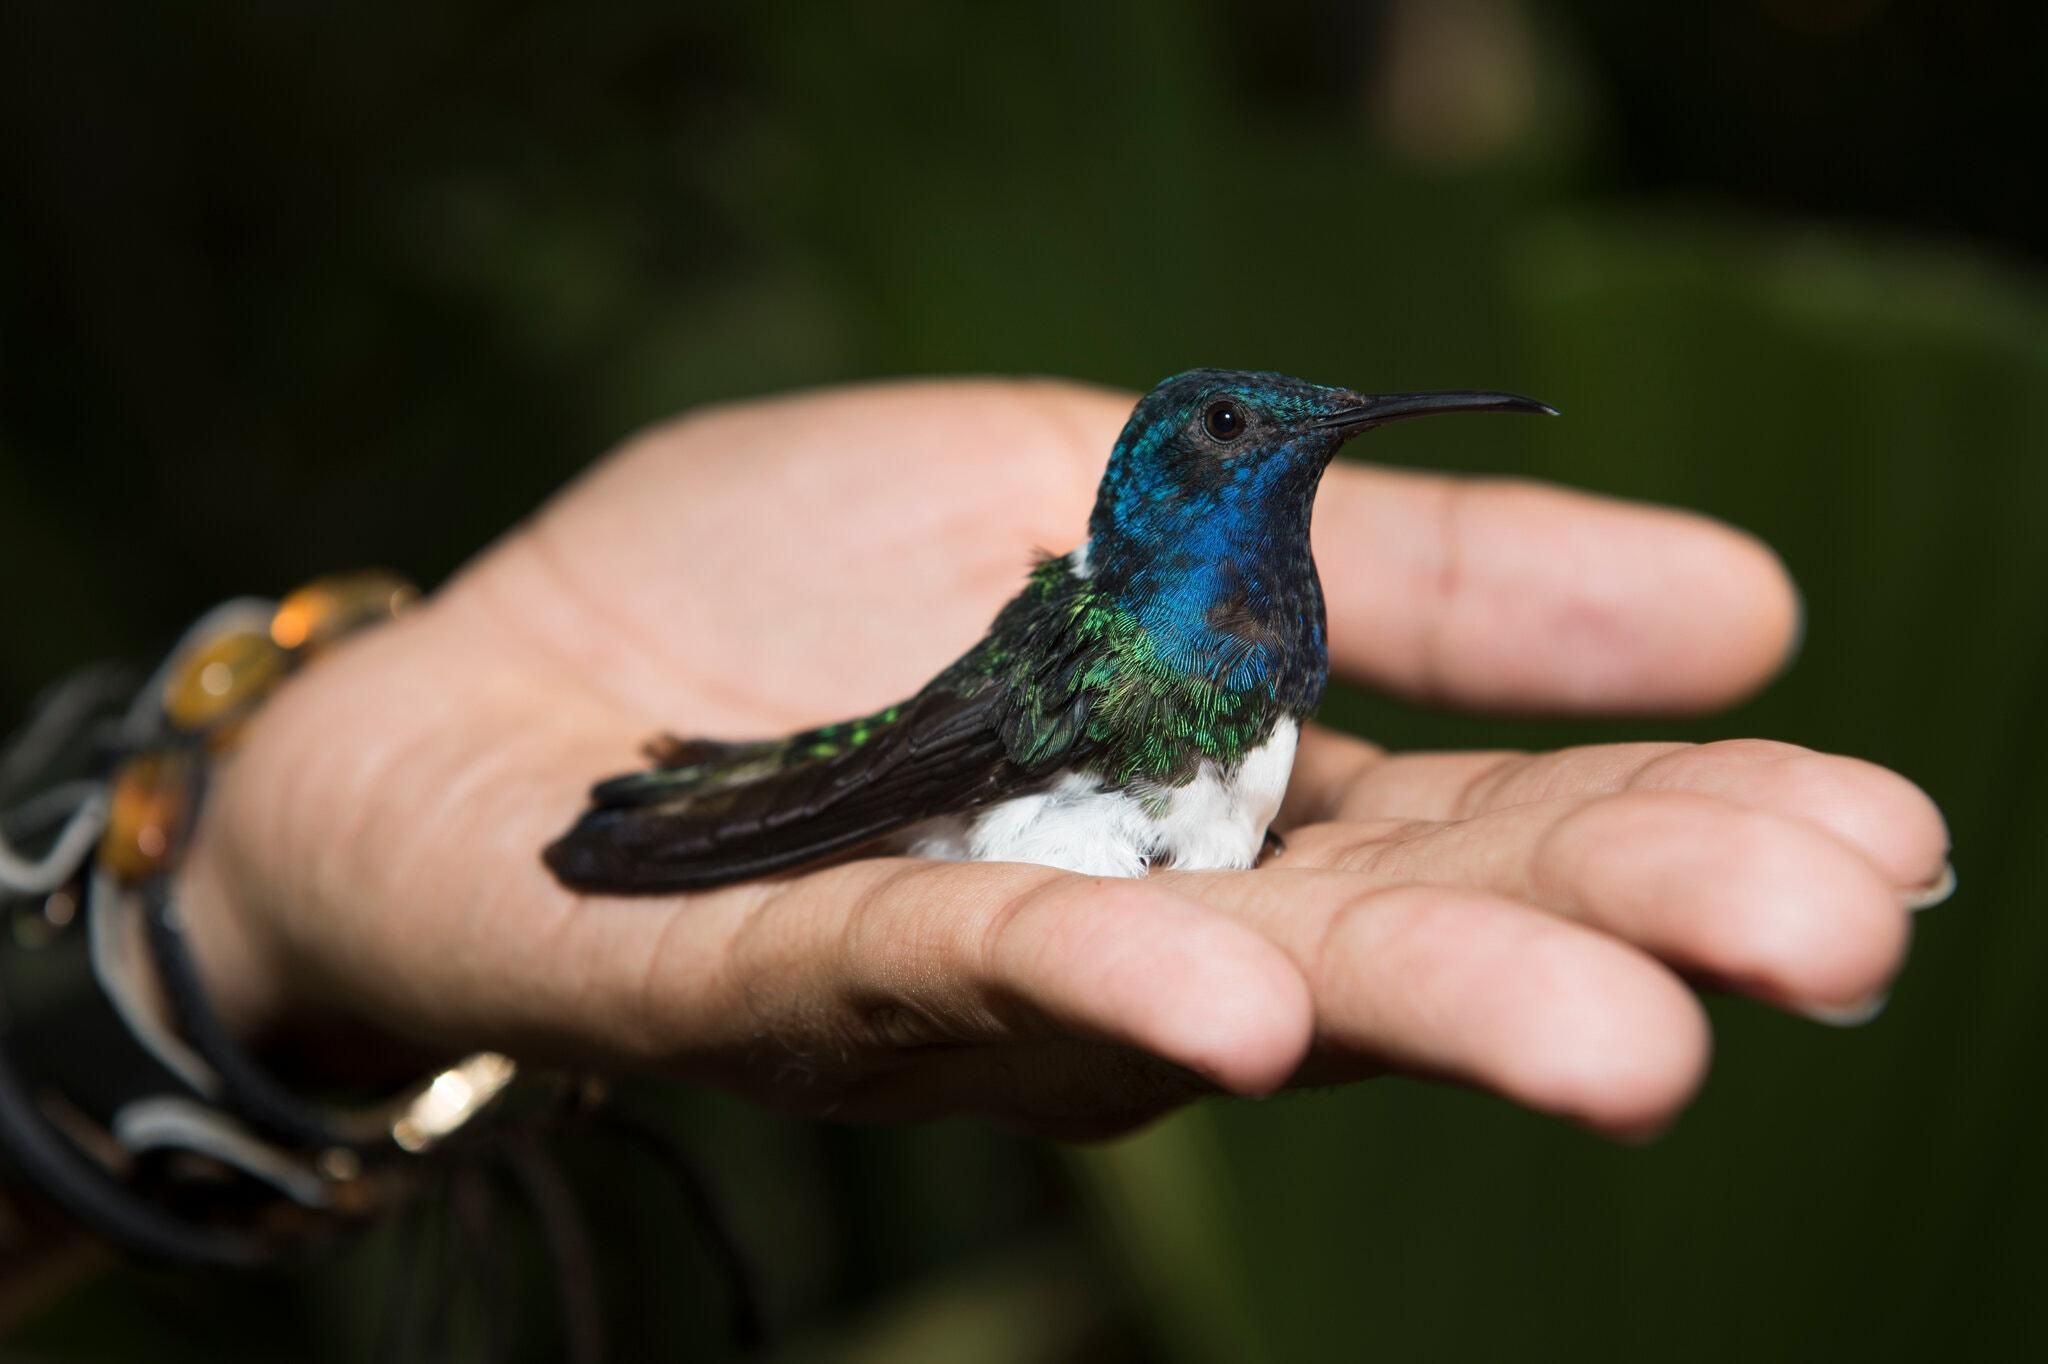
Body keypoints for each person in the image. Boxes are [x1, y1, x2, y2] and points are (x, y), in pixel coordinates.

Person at [166, 377, 1949, 1143]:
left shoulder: (1266, 613)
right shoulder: (1102, 640)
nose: (1294, 439)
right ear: (1179, 471)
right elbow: (895, 773)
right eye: (1249, 426)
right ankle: (684, 796)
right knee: (788, 790)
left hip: (1169, 796)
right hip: (1006, 796)